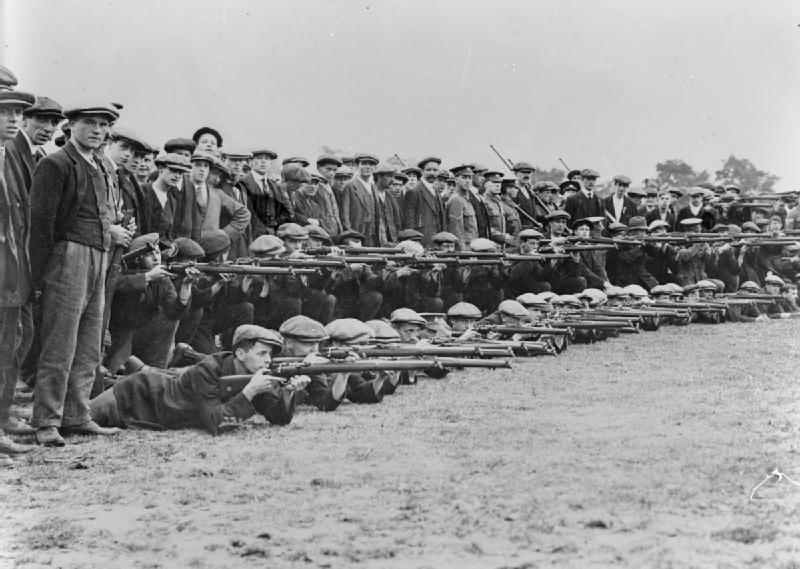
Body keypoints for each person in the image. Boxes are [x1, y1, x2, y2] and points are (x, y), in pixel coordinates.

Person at [29, 102, 126, 446]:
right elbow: (41, 224)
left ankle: (76, 415)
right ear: (70, 126)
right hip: (68, 256)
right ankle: (46, 420)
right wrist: (39, 274)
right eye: (89, 123)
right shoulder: (55, 164)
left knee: (88, 343)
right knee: (60, 341)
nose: (97, 131)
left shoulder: (100, 165)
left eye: (103, 125)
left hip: (99, 255)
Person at [89, 325, 303, 433]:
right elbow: (216, 423)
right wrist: (249, 393)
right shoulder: (209, 369)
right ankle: (102, 378)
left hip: (156, 415)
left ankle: (105, 378)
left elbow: (279, 419)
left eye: (270, 355)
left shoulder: (253, 375)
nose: (268, 360)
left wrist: (288, 392)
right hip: (135, 395)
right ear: (240, 354)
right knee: (73, 420)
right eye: (262, 353)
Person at [0, 71, 39, 459]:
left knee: (12, 342)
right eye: (5, 112)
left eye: (16, 112)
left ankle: (4, 415)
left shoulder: (7, 156)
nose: (13, 119)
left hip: (12, 271)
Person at [239, 148, 292, 238]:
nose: (263, 162)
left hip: (273, 235)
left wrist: (276, 227)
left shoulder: (275, 186)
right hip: (251, 234)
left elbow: (285, 210)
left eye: (267, 159)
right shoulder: (242, 183)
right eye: (259, 158)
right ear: (251, 162)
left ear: (271, 163)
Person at [401, 156, 446, 246]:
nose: (432, 173)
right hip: (422, 242)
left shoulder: (436, 192)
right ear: (422, 172)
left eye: (435, 170)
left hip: (437, 242)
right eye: (428, 170)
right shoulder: (414, 191)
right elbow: (409, 224)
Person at [340, 152, 378, 242]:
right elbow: (345, 213)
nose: (368, 167)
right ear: (357, 166)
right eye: (364, 164)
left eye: (371, 164)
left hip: (372, 235)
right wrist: (350, 233)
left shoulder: (373, 187)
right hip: (356, 233)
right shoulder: (350, 185)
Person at [446, 164, 479, 248]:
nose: (468, 181)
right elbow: (456, 230)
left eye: (470, 178)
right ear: (456, 180)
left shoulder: (466, 199)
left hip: (472, 245)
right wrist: (461, 252)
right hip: (465, 249)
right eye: (464, 177)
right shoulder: (456, 200)